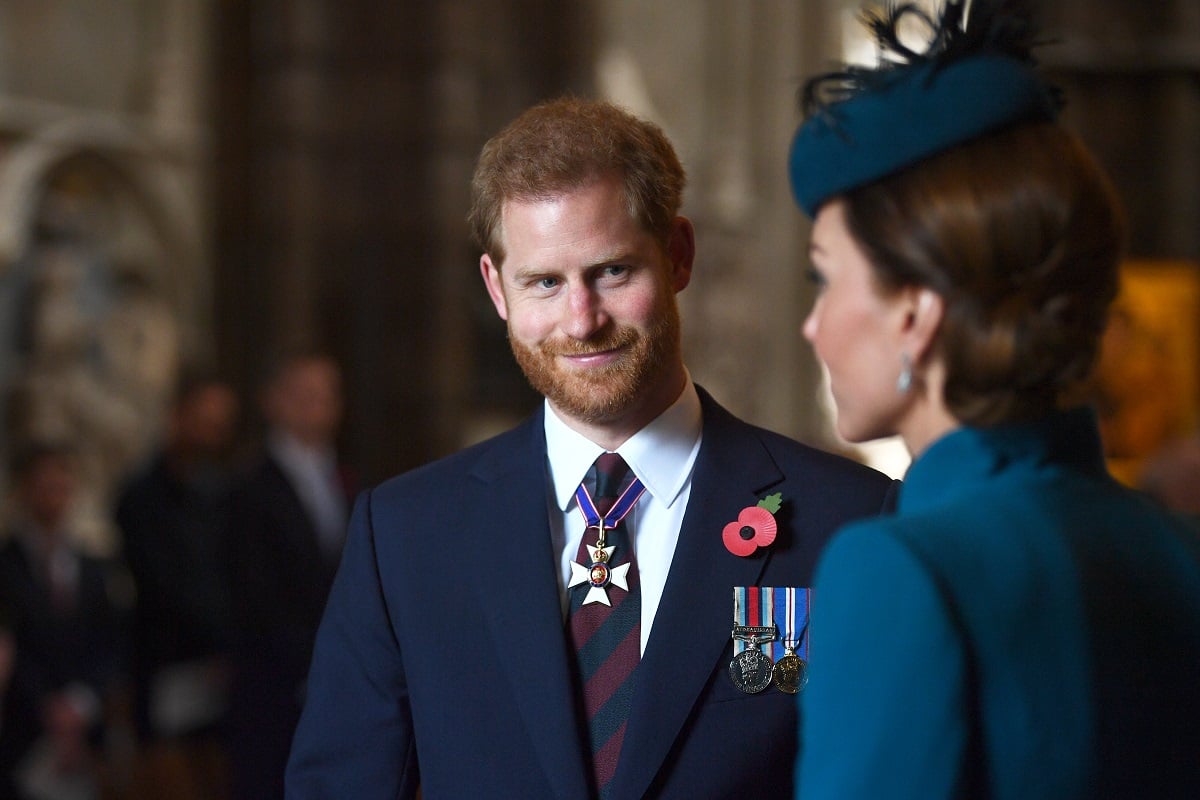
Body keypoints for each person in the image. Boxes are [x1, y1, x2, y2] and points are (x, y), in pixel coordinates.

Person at [285, 96, 898, 800]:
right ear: (497, 288)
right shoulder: (403, 537)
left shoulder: (849, 522)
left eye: (612, 272)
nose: (582, 320)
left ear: (678, 257)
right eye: (544, 282)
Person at [785, 2, 1200, 798]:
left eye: (824, 278)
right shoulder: (1174, 548)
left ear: (915, 312)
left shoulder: (898, 570)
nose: (813, 326)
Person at [224, 350, 354, 800]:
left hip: (344, 684)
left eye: (326, 394)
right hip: (276, 690)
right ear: (273, 402)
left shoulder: (350, 481)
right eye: (303, 394)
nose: (317, 405)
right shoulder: (246, 488)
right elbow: (251, 595)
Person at [115, 369, 240, 800]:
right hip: (168, 670)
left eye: (221, 425)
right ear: (179, 416)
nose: (213, 434)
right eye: (205, 421)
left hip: (220, 681)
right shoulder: (141, 496)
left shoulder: (221, 492)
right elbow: (162, 584)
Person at [0, 441, 127, 800]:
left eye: (62, 484)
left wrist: (81, 701)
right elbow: (14, 649)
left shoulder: (94, 566)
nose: (54, 495)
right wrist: (47, 705)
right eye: (43, 485)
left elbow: (112, 642)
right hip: (23, 734)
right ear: (23, 490)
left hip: (87, 731)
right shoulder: (6, 567)